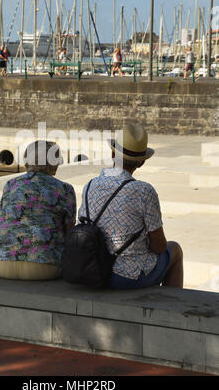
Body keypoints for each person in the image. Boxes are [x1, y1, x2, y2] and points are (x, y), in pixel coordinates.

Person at [78, 123, 184, 289]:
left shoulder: (90, 185)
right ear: (141, 162)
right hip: (125, 277)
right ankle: (171, 308)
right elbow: (159, 246)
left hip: (92, 269)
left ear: (113, 154)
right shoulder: (144, 191)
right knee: (175, 249)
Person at [0, 140, 76, 280]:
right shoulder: (64, 189)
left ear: (27, 161)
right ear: (53, 163)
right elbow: (70, 233)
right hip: (46, 268)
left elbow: (3, 219)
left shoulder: (10, 185)